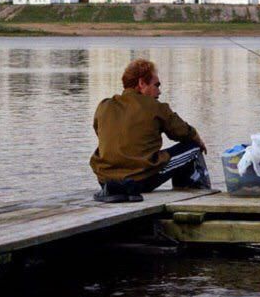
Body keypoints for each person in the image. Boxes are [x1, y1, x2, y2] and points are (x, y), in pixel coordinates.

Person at [90, 58, 211, 203]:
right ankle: (199, 199)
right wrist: (198, 139)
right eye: (156, 85)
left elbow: (100, 133)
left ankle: (117, 187)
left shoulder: (104, 106)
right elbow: (183, 133)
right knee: (193, 149)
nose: (159, 91)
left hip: (106, 180)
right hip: (141, 179)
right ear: (141, 83)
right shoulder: (156, 107)